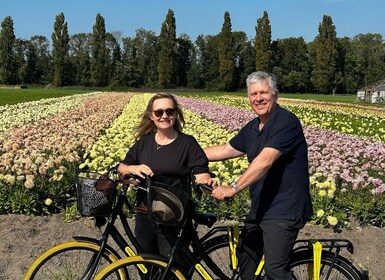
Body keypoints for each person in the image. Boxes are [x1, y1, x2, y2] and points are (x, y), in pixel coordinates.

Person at [204, 71, 313, 280]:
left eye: (264, 92)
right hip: (261, 207)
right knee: (246, 258)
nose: (258, 98)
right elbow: (227, 149)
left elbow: (265, 161)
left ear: (275, 95)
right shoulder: (254, 127)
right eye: (254, 94)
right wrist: (188, 155)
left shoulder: (286, 122)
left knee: (275, 269)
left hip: (284, 210)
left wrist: (233, 187)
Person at [117, 92, 213, 269]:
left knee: (173, 268)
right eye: (159, 112)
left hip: (174, 214)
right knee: (146, 265)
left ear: (176, 114)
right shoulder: (144, 143)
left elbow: (201, 171)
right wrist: (132, 169)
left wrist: (206, 182)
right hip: (145, 213)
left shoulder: (188, 143)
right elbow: (122, 167)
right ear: (152, 116)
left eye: (169, 111)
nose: (164, 116)